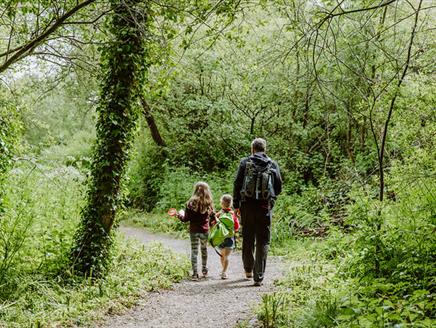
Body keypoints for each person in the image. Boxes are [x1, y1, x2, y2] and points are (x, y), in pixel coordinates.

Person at [233, 138, 282, 286]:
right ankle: (258, 276)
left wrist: (236, 205)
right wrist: (270, 200)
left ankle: (248, 269)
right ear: (265, 149)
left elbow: (237, 183)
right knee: (263, 240)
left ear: (252, 149)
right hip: (264, 207)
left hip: (247, 206)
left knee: (248, 237)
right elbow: (279, 186)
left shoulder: (245, 163)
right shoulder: (272, 164)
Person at [177, 181, 215, 281]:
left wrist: (179, 215)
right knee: (204, 249)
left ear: (195, 190)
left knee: (194, 251)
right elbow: (212, 217)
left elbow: (185, 219)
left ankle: (194, 273)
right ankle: (204, 270)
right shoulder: (209, 202)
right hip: (204, 230)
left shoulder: (190, 203)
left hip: (194, 230)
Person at [211, 194, 240, 280]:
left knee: (222, 255)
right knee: (226, 256)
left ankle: (223, 270)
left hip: (221, 237)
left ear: (221, 203)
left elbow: (213, 224)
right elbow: (237, 227)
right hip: (229, 237)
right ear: (230, 204)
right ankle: (224, 272)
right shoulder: (233, 214)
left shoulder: (219, 214)